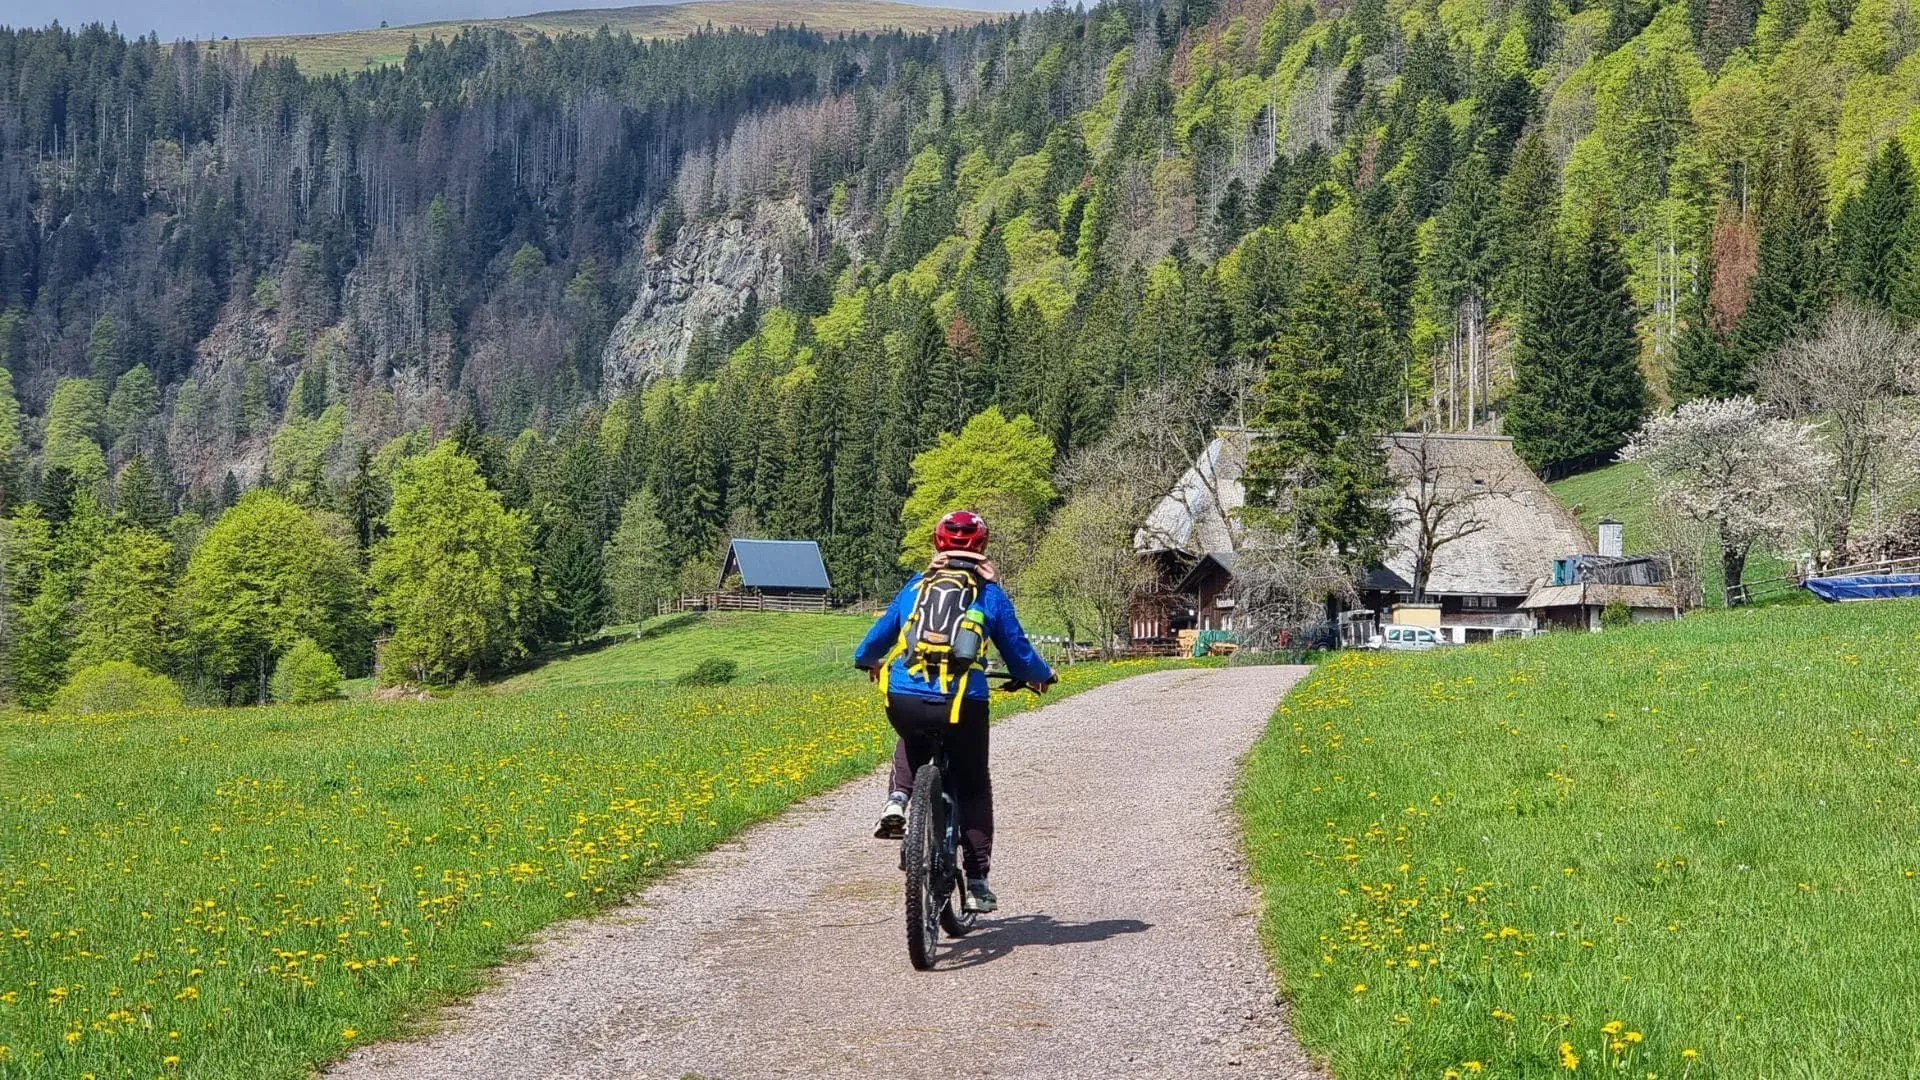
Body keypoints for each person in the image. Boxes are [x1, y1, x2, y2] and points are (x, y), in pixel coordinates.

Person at [854, 509, 1055, 914]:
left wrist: (867, 661)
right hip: (964, 701)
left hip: (906, 693)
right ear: (981, 546)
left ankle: (897, 799)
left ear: (937, 544)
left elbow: (875, 640)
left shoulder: (917, 586)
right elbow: (1018, 653)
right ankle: (978, 881)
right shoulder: (990, 594)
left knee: (911, 738)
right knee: (974, 783)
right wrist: (1041, 675)